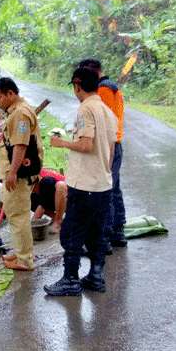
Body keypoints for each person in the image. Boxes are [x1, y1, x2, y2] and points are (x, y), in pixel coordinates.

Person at [44, 67, 117, 296]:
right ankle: (96, 276)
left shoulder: (86, 109)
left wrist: (62, 143)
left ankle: (70, 280)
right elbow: (111, 151)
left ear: (77, 85)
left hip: (84, 185)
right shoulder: (107, 110)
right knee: (97, 233)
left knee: (71, 234)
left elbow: (86, 144)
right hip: (103, 184)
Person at [0, 77, 43, 271]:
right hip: (18, 171)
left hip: (19, 173)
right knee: (14, 211)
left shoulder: (20, 113)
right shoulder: (17, 111)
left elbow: (20, 144)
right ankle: (21, 251)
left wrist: (12, 172)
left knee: (18, 213)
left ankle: (24, 259)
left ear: (10, 94)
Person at [79, 58, 127, 248]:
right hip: (115, 144)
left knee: (103, 190)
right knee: (113, 188)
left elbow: (104, 124)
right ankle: (117, 233)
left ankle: (104, 238)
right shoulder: (113, 88)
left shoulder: (104, 90)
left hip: (108, 146)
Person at [31, 168, 67, 234]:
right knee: (31, 200)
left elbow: (42, 206)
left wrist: (31, 226)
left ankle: (57, 222)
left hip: (68, 199)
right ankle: (58, 219)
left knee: (60, 185)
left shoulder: (45, 179)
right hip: (53, 197)